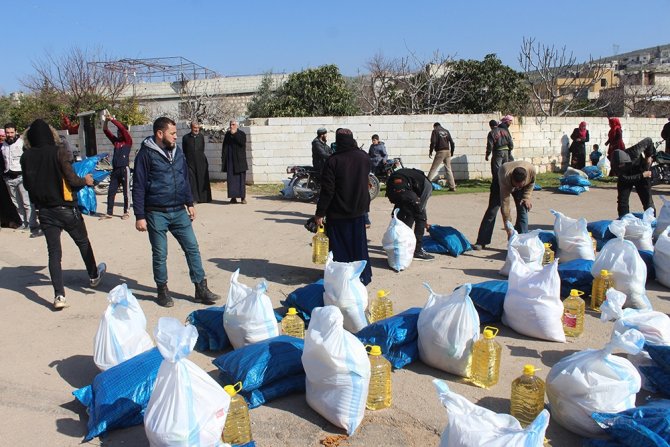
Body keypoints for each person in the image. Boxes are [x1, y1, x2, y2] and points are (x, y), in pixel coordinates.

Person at [133, 117, 220, 307]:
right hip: (156, 212)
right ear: (160, 134)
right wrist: (139, 216)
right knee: (160, 253)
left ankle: (200, 288)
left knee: (192, 248)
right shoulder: (145, 155)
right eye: (172, 133)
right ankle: (162, 291)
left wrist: (189, 202)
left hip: (179, 211)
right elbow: (138, 185)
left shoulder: (177, 152)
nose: (175, 136)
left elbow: (184, 179)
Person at [20, 119, 106, 310]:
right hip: (67, 208)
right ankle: (93, 276)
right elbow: (72, 179)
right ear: (51, 134)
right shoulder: (59, 151)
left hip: (45, 211)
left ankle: (59, 295)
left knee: (54, 253)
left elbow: (27, 185)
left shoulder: (26, 157)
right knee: (82, 242)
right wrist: (87, 180)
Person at [314, 128, 372, 285]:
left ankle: (342, 280)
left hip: (338, 211)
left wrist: (320, 213)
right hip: (359, 209)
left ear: (338, 141)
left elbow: (328, 191)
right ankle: (362, 276)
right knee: (358, 245)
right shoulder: (364, 157)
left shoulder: (333, 161)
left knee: (340, 247)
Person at [472, 160, 536, 250]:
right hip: (499, 183)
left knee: (523, 207)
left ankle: (522, 242)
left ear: (525, 180)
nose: (517, 187)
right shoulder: (505, 177)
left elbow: (531, 183)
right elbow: (505, 205)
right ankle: (481, 241)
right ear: (512, 179)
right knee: (492, 210)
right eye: (515, 185)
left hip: (520, 182)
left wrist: (526, 197)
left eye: (520, 185)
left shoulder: (531, 171)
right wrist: (508, 228)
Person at [385, 168, 434, 260]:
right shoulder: (427, 188)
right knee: (420, 217)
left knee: (405, 213)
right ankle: (417, 251)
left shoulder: (416, 177)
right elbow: (420, 208)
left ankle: (399, 246)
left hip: (391, 187)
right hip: (402, 188)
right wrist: (424, 222)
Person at [2, 122, 38, 235]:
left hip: (21, 176)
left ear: (16, 131)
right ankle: (23, 222)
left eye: (12, 132)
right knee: (16, 203)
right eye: (7, 132)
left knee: (27, 202)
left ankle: (32, 224)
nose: (10, 134)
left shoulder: (22, 143)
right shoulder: (3, 145)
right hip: (9, 178)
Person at [611, 137, 656, 217]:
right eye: (620, 166)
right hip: (630, 177)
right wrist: (642, 175)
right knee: (622, 201)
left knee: (647, 199)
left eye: (623, 164)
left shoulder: (634, 151)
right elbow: (625, 178)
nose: (622, 166)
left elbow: (649, 140)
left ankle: (652, 221)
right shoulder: (616, 167)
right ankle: (624, 221)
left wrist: (648, 156)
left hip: (641, 170)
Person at [100, 113, 132, 220]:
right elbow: (105, 131)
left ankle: (126, 212)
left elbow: (122, 128)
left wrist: (113, 119)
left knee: (126, 192)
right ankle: (109, 212)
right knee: (111, 191)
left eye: (120, 132)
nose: (118, 133)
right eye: (117, 132)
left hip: (124, 169)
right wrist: (106, 121)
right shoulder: (116, 142)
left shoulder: (128, 141)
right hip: (115, 170)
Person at [182, 121, 212, 203]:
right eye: (195, 128)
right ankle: (194, 198)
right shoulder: (185, 138)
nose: (196, 129)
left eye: (198, 128)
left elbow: (202, 148)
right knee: (192, 180)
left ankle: (204, 198)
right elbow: (184, 150)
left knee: (202, 179)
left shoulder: (201, 137)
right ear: (191, 128)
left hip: (201, 161)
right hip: (190, 162)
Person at [221, 120, 248, 204]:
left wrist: (235, 134)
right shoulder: (227, 135)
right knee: (231, 180)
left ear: (237, 125)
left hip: (240, 161)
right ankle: (233, 198)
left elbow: (241, 142)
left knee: (241, 181)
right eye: (230, 125)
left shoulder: (241, 134)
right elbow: (224, 146)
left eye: (233, 125)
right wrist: (223, 158)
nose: (231, 126)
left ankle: (242, 198)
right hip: (230, 161)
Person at [427, 122, 456, 191]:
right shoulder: (446, 131)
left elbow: (433, 142)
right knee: (448, 169)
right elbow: (452, 142)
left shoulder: (435, 131)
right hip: (447, 151)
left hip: (440, 151)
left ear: (435, 126)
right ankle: (452, 187)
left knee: (433, 169)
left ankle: (426, 186)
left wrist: (430, 151)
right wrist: (452, 152)